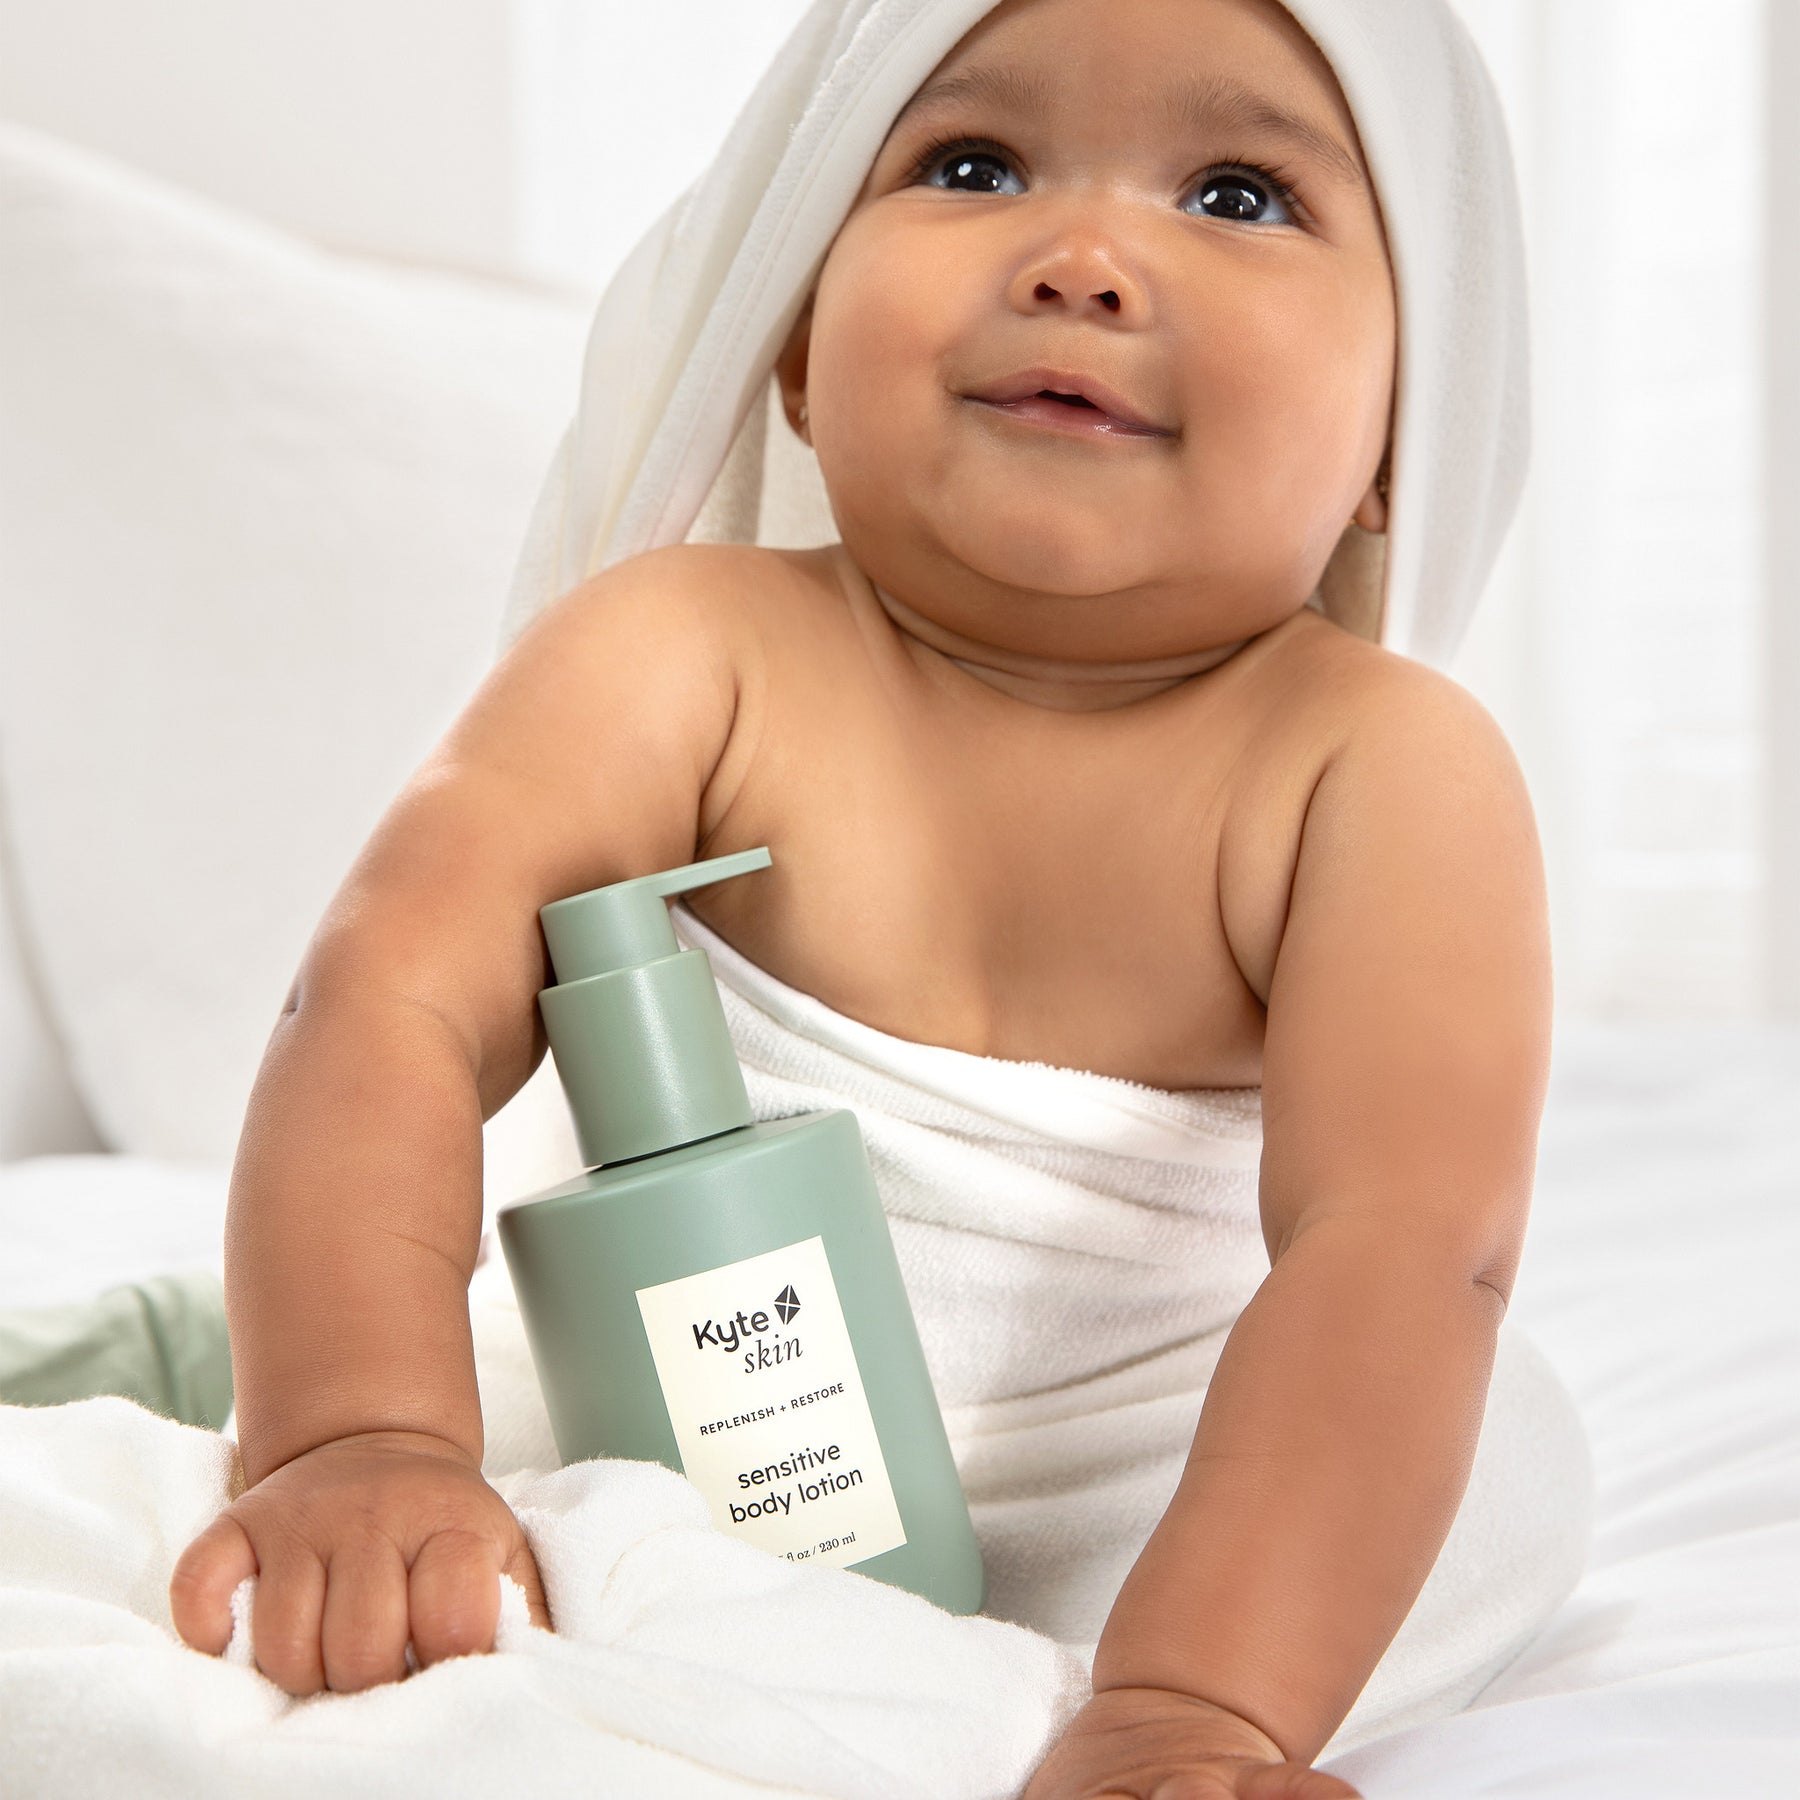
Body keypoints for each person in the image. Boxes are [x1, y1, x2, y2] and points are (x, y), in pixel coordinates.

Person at [167, 0, 1589, 1792]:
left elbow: (1402, 1243)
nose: (1081, 260)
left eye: (1236, 194)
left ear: (1409, 419)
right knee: (432, 1502)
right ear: (792, 341)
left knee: (1495, 1470)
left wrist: (1201, 1705)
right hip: (670, 1419)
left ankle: (1108, 1679)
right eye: (970, 165)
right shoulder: (688, 649)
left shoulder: (1377, 768)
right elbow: (388, 996)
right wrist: (353, 1436)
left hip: (1164, 1465)